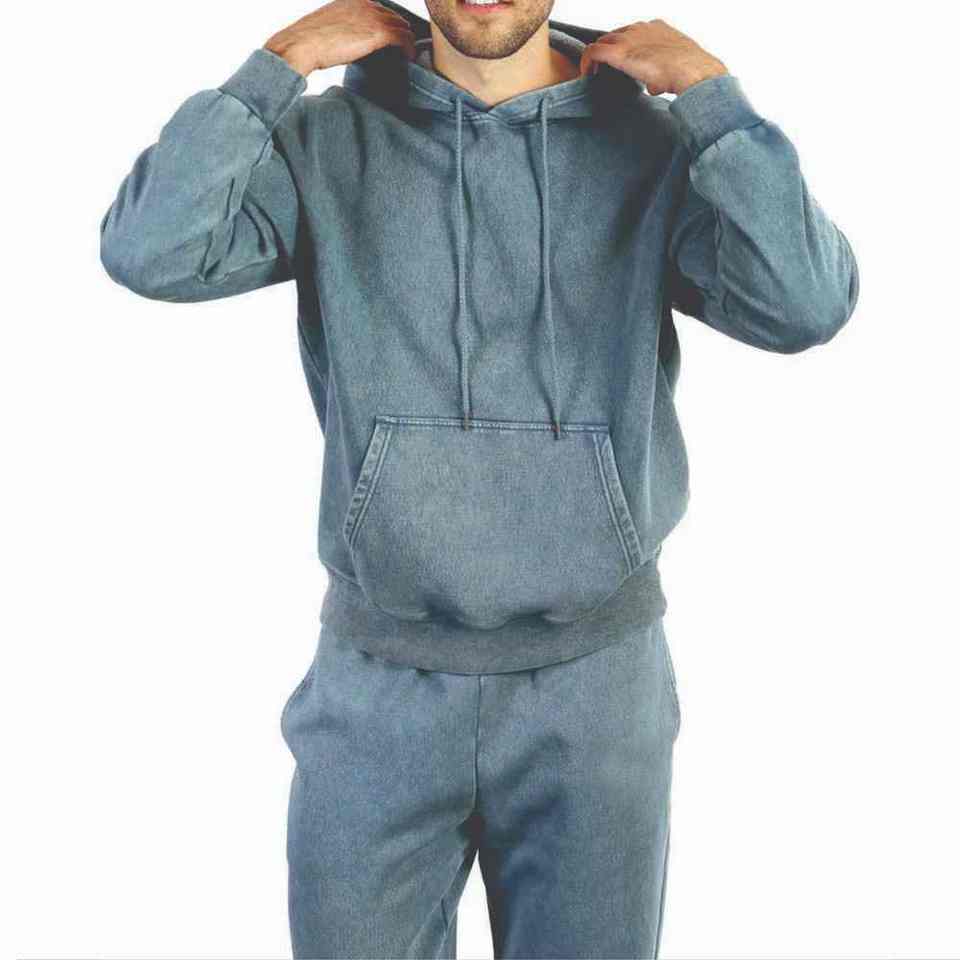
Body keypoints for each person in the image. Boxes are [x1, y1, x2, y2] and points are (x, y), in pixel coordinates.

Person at [99, 0, 859, 955]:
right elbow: (150, 250)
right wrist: (278, 63)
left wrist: (713, 99)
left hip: (595, 693)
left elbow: (806, 303)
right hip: (376, 688)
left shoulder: (655, 148)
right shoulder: (326, 143)